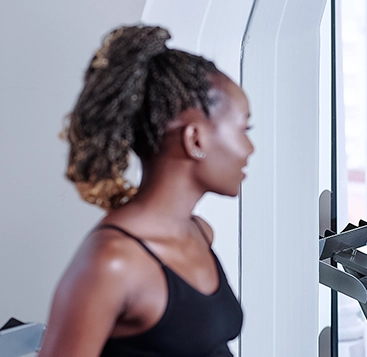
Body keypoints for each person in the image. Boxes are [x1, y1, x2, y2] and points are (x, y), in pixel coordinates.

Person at [38, 25, 253, 357]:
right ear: (195, 139)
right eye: (243, 128)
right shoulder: (112, 262)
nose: (249, 148)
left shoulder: (199, 233)